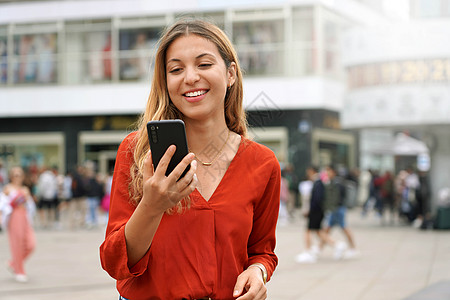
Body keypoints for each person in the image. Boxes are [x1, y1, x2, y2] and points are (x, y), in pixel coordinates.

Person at [100, 18, 281, 300]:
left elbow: (262, 251)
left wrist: (258, 271)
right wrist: (152, 205)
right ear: (166, 81)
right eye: (176, 69)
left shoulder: (263, 163)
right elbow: (114, 262)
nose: (190, 77)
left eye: (204, 64)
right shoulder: (136, 152)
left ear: (231, 73)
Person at [295, 166, 342, 263]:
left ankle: (308, 252)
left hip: (315, 211)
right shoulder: (321, 182)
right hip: (319, 211)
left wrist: (309, 210)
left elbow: (316, 199)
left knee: (308, 230)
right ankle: (336, 245)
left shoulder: (317, 183)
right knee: (318, 231)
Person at [0, 166, 36, 282]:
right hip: (14, 217)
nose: (18, 177)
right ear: (11, 176)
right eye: (15, 175)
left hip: (24, 216)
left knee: (31, 244)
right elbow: (3, 205)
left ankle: (13, 263)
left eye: (20, 175)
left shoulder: (25, 189)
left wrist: (27, 200)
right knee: (17, 244)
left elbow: (31, 206)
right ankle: (20, 270)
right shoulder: (7, 188)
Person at [323, 165, 359, 259]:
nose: (327, 173)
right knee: (327, 229)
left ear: (334, 172)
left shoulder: (336, 183)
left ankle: (352, 248)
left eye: (328, 171)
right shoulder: (335, 182)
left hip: (337, 209)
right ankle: (319, 248)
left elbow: (335, 197)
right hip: (336, 208)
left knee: (343, 228)